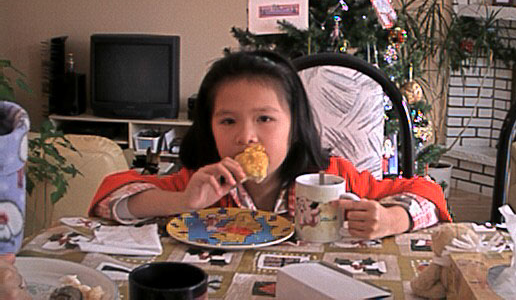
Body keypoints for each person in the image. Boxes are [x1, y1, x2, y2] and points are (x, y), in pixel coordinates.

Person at [89, 50, 451, 238]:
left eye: (264, 119)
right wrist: (182, 201)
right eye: (228, 121)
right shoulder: (200, 183)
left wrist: (391, 218)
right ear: (209, 127)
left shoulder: (332, 178)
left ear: (295, 127)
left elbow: (427, 193)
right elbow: (110, 200)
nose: (246, 136)